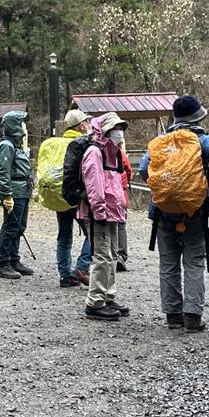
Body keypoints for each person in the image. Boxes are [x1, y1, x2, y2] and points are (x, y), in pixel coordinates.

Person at [139, 95, 209, 332]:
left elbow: (143, 167)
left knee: (168, 262)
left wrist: (161, 186)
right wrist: (207, 179)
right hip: (194, 210)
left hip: (163, 209)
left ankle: (173, 316)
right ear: (198, 118)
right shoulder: (201, 140)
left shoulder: (161, 142)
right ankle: (192, 316)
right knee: (193, 261)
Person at [80, 112, 130, 321]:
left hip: (112, 212)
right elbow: (94, 185)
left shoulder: (113, 151)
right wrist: (99, 211)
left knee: (111, 255)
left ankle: (108, 297)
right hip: (98, 213)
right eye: (114, 128)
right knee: (101, 257)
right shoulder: (94, 152)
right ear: (105, 131)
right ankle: (95, 302)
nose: (119, 132)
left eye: (120, 128)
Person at [40, 109, 93, 288]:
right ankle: (82, 267)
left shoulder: (55, 144)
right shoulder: (82, 144)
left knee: (64, 236)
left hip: (58, 195)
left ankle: (65, 276)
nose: (88, 125)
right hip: (76, 198)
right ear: (81, 126)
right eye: (86, 122)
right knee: (92, 233)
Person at [0, 111, 35, 280]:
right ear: (14, 125)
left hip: (23, 191)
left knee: (19, 227)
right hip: (15, 192)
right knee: (10, 227)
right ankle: (3, 264)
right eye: (21, 123)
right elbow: (3, 172)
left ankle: (14, 260)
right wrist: (7, 195)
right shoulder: (6, 146)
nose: (24, 127)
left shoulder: (16, 145)